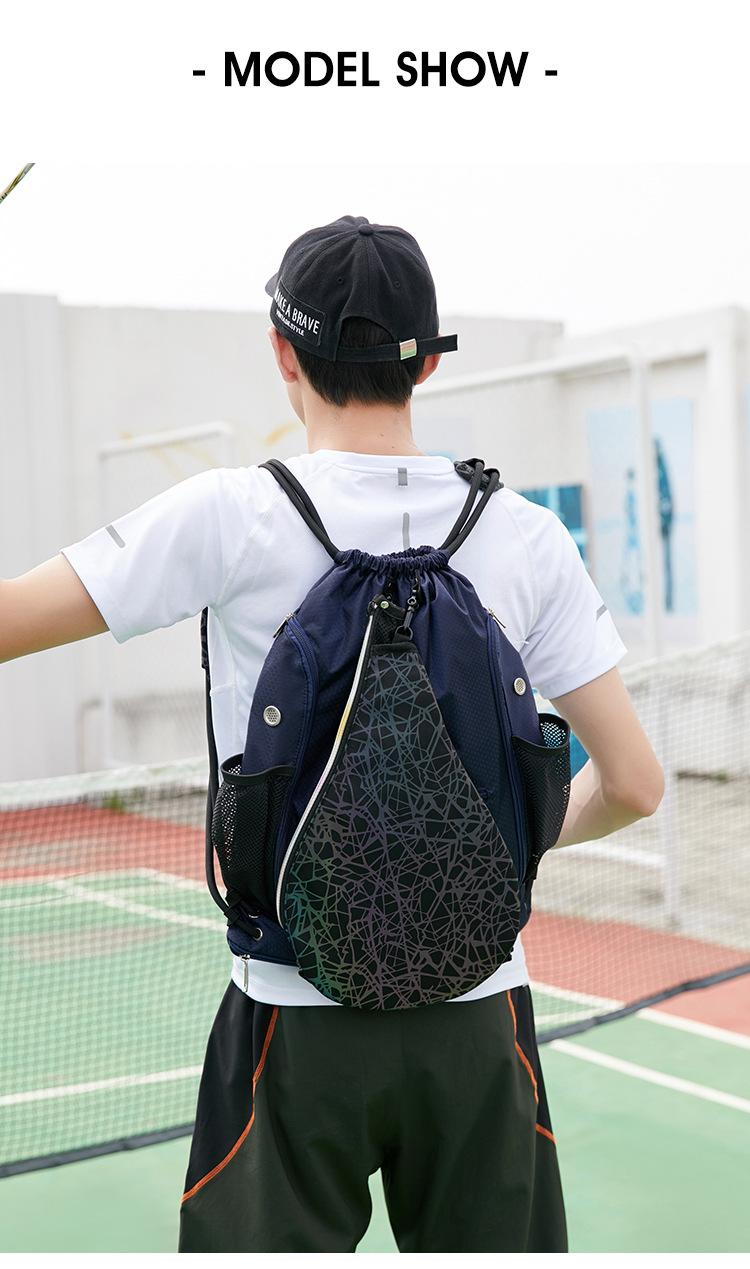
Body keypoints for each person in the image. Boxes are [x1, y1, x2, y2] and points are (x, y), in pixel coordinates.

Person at [0, 214, 665, 1253]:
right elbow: (633, 784)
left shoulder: (229, 516)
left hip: (288, 1019)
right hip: (480, 1019)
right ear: (427, 363)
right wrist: (487, 843)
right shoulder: (524, 535)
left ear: (283, 353)